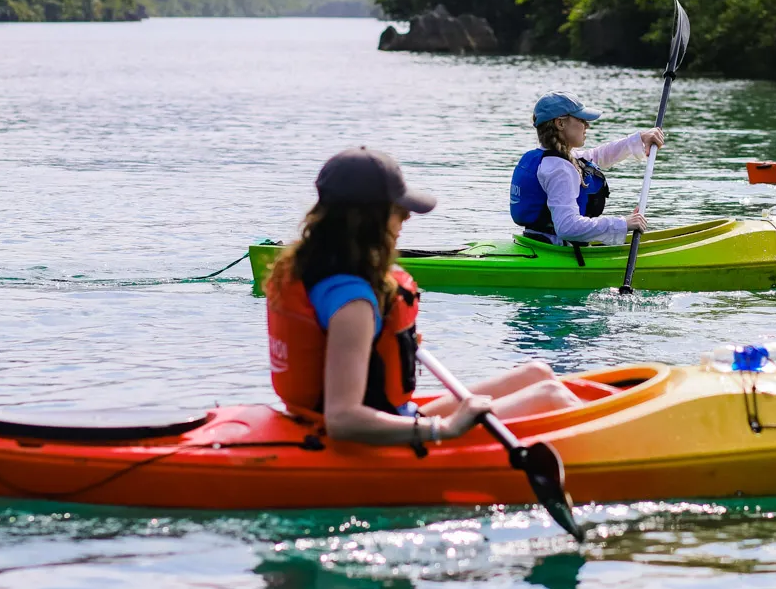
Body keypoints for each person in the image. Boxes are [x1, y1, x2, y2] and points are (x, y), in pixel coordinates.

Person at [266, 147, 580, 450]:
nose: (407, 218)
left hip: (392, 417)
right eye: (398, 209)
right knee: (553, 396)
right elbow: (342, 419)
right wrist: (444, 428)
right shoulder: (352, 304)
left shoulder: (315, 265)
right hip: (376, 440)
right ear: (368, 219)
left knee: (538, 373)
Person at [509, 92, 665, 246]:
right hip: (560, 250)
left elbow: (597, 155)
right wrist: (623, 223)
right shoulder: (559, 169)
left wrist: (639, 138)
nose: (587, 125)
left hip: (538, 241)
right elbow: (567, 227)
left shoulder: (547, 159)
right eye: (581, 119)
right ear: (560, 123)